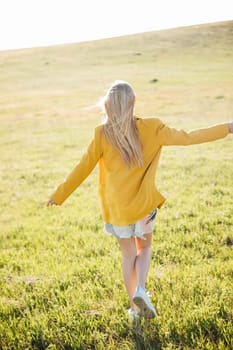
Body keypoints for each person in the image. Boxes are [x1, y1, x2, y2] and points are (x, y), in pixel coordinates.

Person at [47, 80, 233, 321]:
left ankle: (134, 310)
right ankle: (141, 290)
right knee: (144, 248)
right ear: (134, 103)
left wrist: (59, 195)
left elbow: (82, 168)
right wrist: (226, 128)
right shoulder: (152, 128)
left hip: (118, 211)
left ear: (108, 106)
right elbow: (188, 137)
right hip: (143, 207)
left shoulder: (102, 134)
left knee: (128, 256)